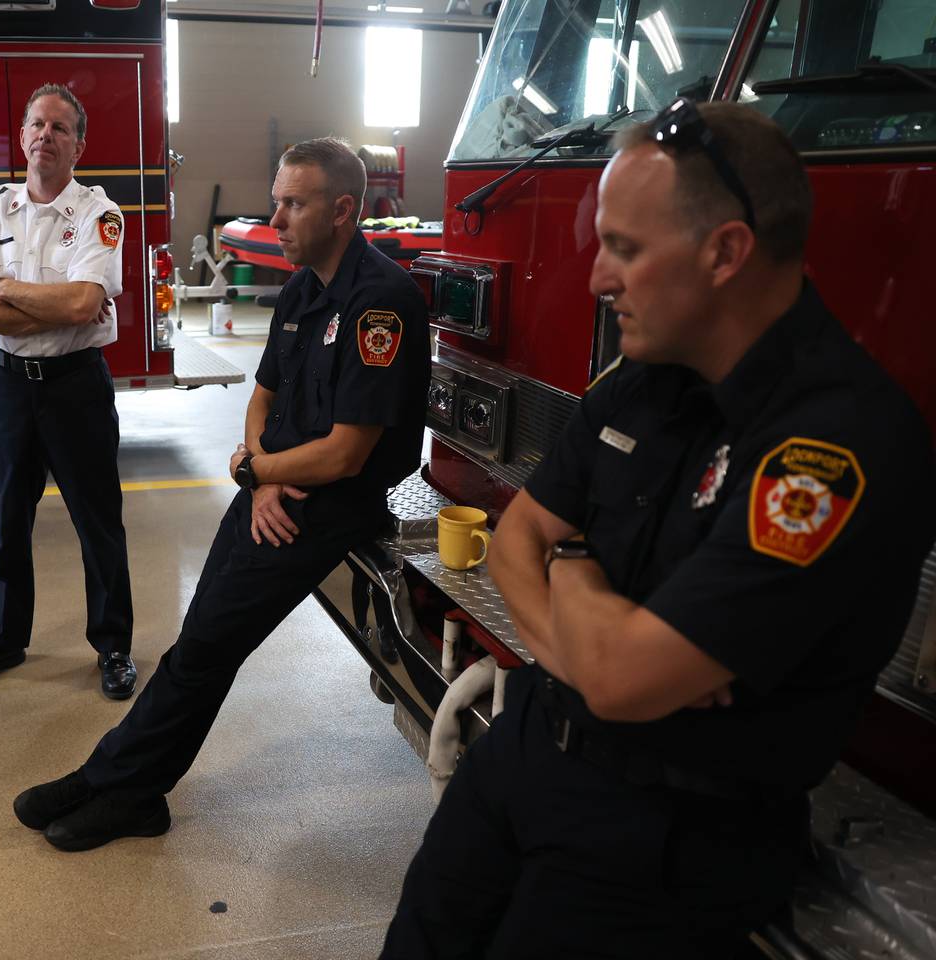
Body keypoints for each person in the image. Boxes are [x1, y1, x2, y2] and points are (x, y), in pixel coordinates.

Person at [382, 101, 936, 958]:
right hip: (530, 748)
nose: (598, 278)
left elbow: (614, 661)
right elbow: (520, 539)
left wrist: (576, 586)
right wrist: (590, 619)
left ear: (726, 254)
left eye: (626, 250)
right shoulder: (644, 376)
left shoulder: (830, 450)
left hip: (665, 836)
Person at [13, 137, 431, 851]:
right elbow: (264, 394)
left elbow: (346, 453)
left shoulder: (380, 302)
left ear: (342, 210)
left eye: (293, 204)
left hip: (326, 507)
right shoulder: (301, 289)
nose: (276, 218)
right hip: (276, 490)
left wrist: (258, 475)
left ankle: (122, 786)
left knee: (205, 647)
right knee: (200, 644)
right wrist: (261, 468)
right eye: (276, 200)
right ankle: (117, 778)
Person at [0, 83, 138, 701]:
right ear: (21, 136)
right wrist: (49, 308)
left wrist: (5, 287)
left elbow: (85, 302)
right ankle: (4, 638)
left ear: (79, 146)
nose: (45, 136)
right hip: (9, 389)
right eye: (36, 125)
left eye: (59, 127)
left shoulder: (100, 215)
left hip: (75, 387)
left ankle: (113, 646)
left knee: (97, 521)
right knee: (8, 520)